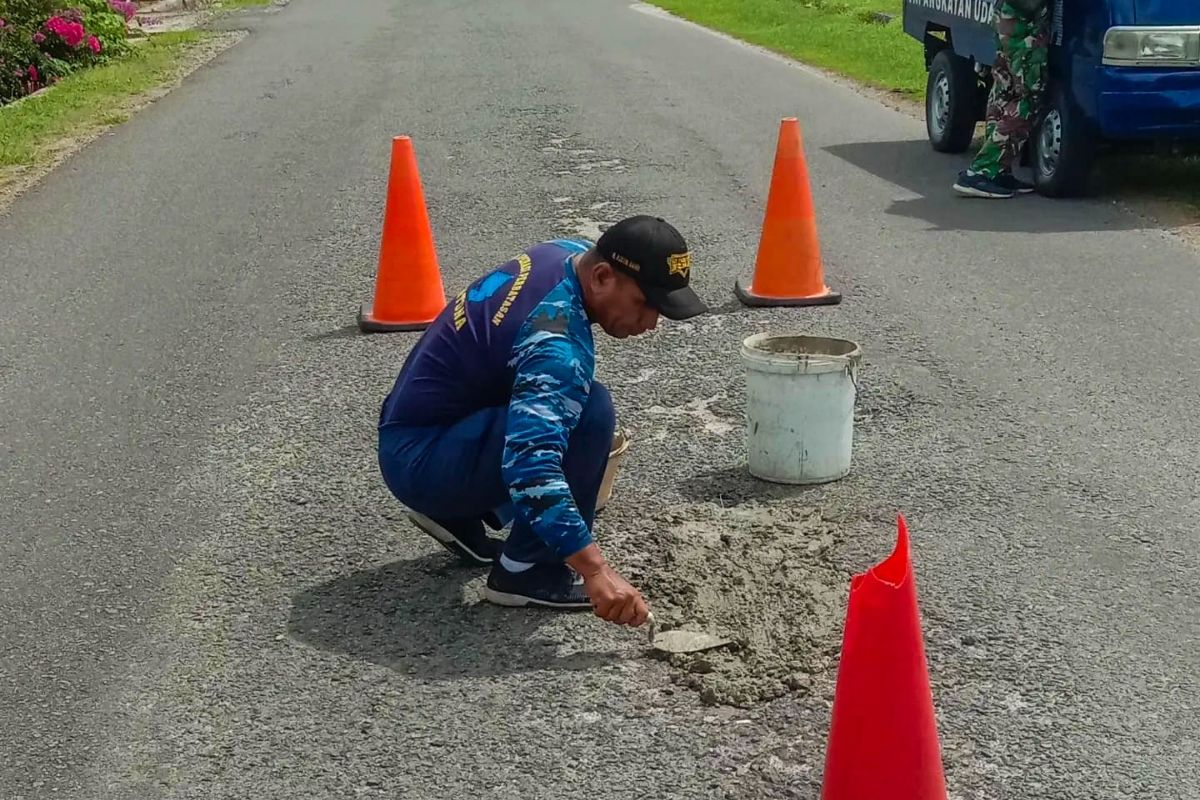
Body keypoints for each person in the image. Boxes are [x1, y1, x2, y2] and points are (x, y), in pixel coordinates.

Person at [375, 215, 707, 627]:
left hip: (416, 432)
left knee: (551, 405)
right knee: (589, 411)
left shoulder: (564, 255)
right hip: (422, 461)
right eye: (646, 305)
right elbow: (532, 465)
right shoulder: (555, 341)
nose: (652, 323)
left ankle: (460, 513)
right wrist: (594, 570)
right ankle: (526, 570)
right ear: (602, 276)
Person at [953, 0, 1051, 199]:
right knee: (1028, 99)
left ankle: (997, 170)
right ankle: (981, 170)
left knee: (1004, 93)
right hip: (1025, 25)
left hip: (1009, 18)